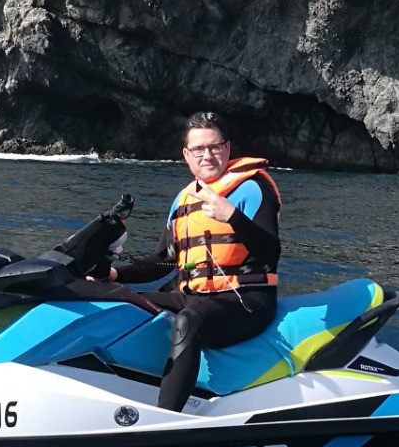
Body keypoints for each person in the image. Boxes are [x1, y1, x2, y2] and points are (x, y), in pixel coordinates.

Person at [108, 112, 281, 412]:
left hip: (247, 300)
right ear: (187, 155)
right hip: (193, 296)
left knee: (189, 321)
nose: (207, 155)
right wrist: (114, 275)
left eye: (214, 147)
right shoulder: (183, 200)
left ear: (227, 148)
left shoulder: (253, 188)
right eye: (199, 149)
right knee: (120, 301)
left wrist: (232, 216)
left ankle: (165, 419)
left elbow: (270, 252)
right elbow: (164, 262)